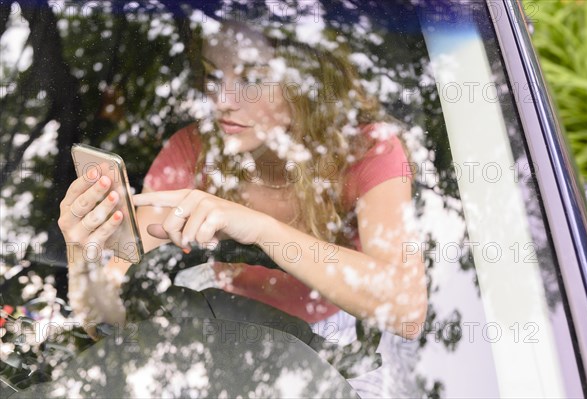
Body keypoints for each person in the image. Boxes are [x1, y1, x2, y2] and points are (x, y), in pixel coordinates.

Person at [58, 20, 427, 392]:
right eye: (212, 76)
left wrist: (261, 230)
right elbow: (111, 320)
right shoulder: (192, 151)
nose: (222, 101)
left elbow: (406, 309)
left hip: (336, 352)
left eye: (251, 79)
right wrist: (82, 255)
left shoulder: (369, 150)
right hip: (223, 339)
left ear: (309, 80)